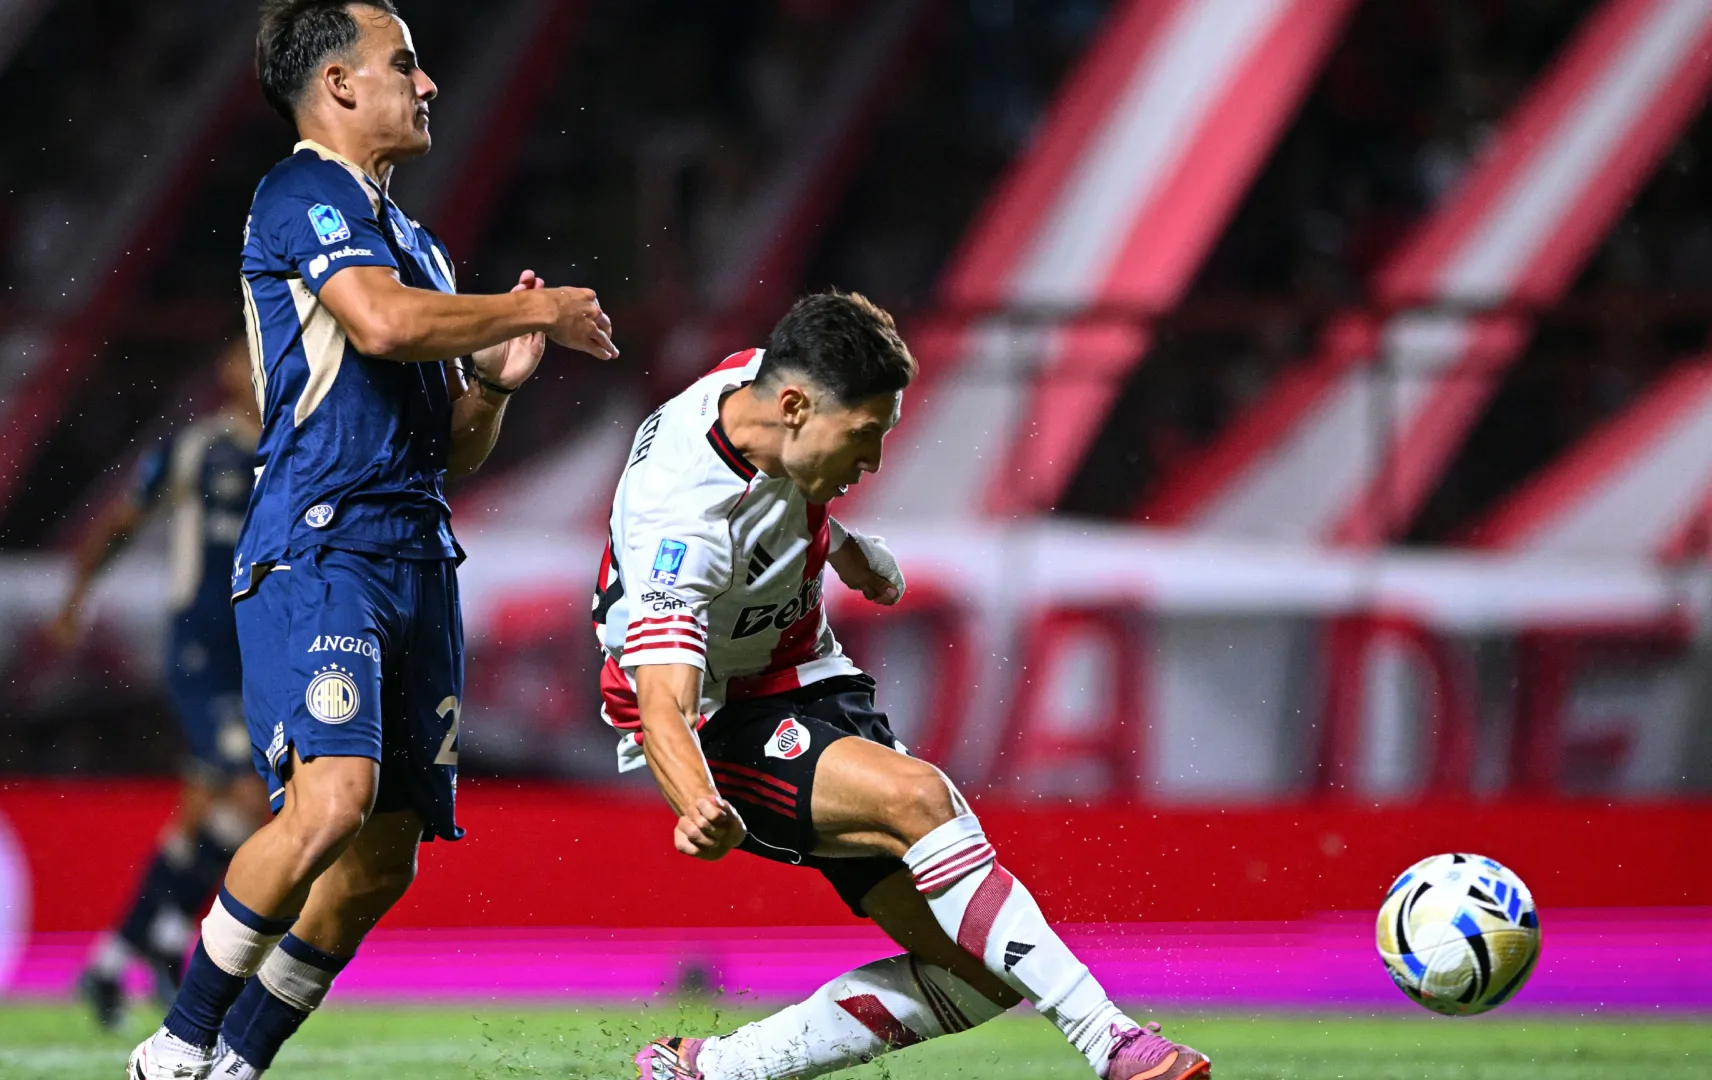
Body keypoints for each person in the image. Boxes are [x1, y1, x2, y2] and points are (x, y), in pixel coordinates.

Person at [128, 1, 616, 1077]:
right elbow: (383, 324)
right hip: (321, 547)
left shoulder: (425, 248)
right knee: (331, 806)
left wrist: (491, 384)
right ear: (340, 85)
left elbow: (455, 447)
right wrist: (527, 314)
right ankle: (174, 1047)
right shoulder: (300, 192)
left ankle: (239, 1060)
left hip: (415, 558)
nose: (429, 83)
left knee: (383, 857)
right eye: (405, 64)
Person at [597, 292, 1210, 1080]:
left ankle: (712, 1071)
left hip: (808, 673)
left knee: (983, 973)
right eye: (865, 437)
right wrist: (697, 804)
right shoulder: (680, 521)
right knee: (919, 799)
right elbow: (662, 705)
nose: (875, 461)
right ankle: (1114, 1042)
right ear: (795, 407)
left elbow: (778, 491)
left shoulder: (758, 389)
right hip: (719, 720)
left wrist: (844, 548)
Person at [54, 343, 266, 1030]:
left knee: (209, 813)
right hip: (204, 653)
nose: (253, 369)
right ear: (227, 374)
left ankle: (116, 962)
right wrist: (77, 595)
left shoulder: (300, 448)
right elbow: (123, 519)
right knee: (245, 795)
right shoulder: (199, 449)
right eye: (244, 358)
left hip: (262, 655)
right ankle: (172, 945)